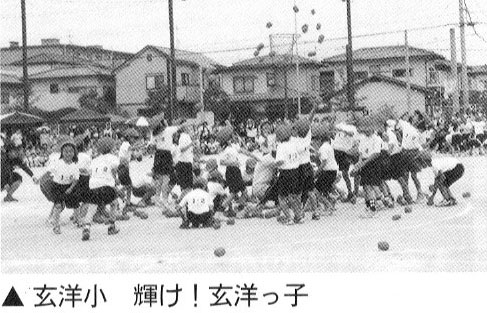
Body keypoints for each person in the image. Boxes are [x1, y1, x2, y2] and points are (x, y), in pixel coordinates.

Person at [80, 137, 120, 241]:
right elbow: (115, 169)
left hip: (93, 186)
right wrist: (115, 179)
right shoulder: (113, 157)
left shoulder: (94, 160)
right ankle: (111, 226)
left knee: (92, 207)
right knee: (114, 203)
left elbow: (88, 172)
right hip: (106, 185)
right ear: (111, 148)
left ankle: (86, 227)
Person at [41, 138, 80, 234]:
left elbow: (76, 179)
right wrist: (39, 179)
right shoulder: (57, 163)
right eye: (66, 151)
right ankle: (56, 226)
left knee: (76, 204)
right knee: (58, 205)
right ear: (62, 152)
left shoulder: (75, 165)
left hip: (69, 187)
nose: (68, 153)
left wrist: (70, 189)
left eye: (71, 151)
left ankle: (78, 220)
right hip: (57, 186)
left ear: (74, 153)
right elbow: (49, 172)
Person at [351, 120, 383, 218]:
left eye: (368, 128)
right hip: (365, 163)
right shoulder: (363, 138)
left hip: (373, 163)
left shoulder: (376, 139)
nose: (365, 130)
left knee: (369, 187)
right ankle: (369, 206)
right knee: (365, 187)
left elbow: (376, 154)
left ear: (372, 128)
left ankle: (373, 209)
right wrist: (357, 166)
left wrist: (364, 163)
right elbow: (361, 154)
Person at [275, 124, 301, 225]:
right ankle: (298, 216)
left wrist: (274, 165)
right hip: (295, 171)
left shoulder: (281, 146)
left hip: (285, 172)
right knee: (292, 196)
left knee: (281, 197)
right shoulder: (293, 144)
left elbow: (280, 161)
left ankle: (289, 218)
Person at [333, 120, 359, 203]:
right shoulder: (341, 124)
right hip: (336, 150)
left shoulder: (353, 128)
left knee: (346, 172)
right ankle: (345, 192)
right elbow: (335, 127)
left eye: (350, 115)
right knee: (334, 171)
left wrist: (343, 130)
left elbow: (351, 133)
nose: (348, 117)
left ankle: (352, 192)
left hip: (345, 152)